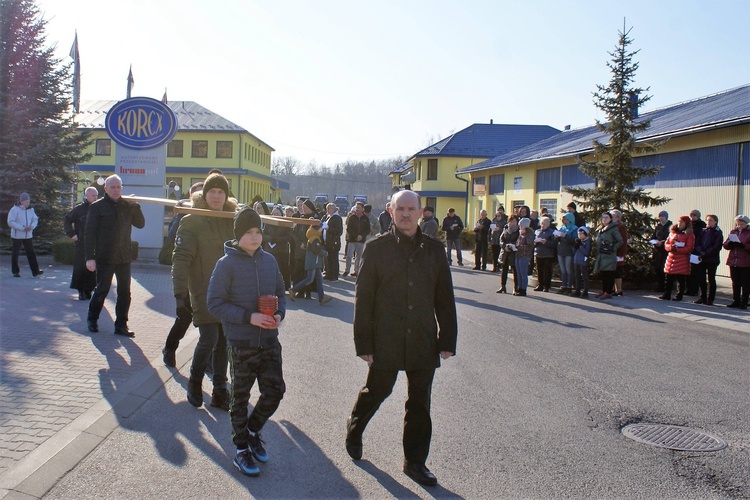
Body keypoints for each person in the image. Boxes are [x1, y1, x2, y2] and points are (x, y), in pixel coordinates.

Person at [345, 190, 457, 487]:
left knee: (420, 403)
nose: (406, 214)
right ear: (390, 212)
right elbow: (363, 299)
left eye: (411, 209)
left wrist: (447, 338)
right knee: (377, 390)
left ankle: (415, 463)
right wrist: (364, 343)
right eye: (400, 209)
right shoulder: (376, 248)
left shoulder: (434, 250)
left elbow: (444, 297)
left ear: (421, 212)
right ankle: (355, 428)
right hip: (386, 337)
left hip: (422, 338)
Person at [206, 207, 287, 477]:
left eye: (258, 232)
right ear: (238, 235)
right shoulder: (225, 264)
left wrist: (278, 314)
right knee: (239, 397)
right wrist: (247, 317)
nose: (254, 238)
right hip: (241, 342)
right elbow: (214, 303)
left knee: (274, 392)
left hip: (269, 341)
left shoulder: (270, 261)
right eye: (249, 233)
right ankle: (240, 449)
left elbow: (280, 293)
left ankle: (252, 431)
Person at [172, 172, 237, 410]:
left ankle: (220, 389)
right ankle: (195, 382)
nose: (217, 196)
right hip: (202, 289)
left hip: (228, 292)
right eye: (213, 191)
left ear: (226, 195)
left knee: (224, 341)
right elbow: (181, 258)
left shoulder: (232, 220)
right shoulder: (192, 220)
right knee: (209, 338)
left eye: (221, 192)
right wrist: (180, 293)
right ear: (205, 194)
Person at [84, 175, 145, 336]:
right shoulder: (97, 207)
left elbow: (140, 224)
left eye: (119, 187)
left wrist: (135, 206)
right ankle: (92, 319)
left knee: (125, 292)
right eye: (113, 187)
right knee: (102, 289)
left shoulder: (127, 205)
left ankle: (121, 325)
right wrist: (89, 257)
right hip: (105, 256)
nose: (116, 190)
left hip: (124, 256)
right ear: (106, 189)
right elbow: (89, 234)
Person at [162, 182, 203, 367]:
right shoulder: (184, 215)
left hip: (207, 274)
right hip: (188, 273)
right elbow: (172, 237)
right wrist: (180, 216)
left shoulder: (212, 215)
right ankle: (170, 348)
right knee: (185, 317)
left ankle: (209, 360)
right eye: (195, 195)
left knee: (210, 320)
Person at [64, 187, 98, 298]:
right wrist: (72, 234)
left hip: (94, 243)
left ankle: (89, 290)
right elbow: (67, 219)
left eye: (96, 195)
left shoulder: (99, 208)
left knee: (92, 268)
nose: (96, 197)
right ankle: (81, 290)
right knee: (80, 267)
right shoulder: (79, 209)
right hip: (81, 243)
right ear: (86, 196)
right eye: (93, 195)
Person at [289, 224, 332, 305]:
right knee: (309, 279)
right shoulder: (314, 239)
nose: (321, 230)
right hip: (313, 262)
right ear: (316, 230)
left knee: (319, 280)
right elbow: (317, 250)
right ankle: (293, 290)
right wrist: (326, 253)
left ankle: (321, 298)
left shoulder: (313, 237)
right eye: (320, 229)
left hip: (314, 262)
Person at [659, 215, 695, 301]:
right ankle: (667, 294)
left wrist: (678, 249)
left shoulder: (689, 234)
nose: (679, 223)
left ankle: (679, 295)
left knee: (680, 279)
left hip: (682, 259)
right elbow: (666, 244)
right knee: (668, 278)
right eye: (679, 221)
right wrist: (670, 248)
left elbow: (689, 247)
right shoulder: (673, 232)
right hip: (671, 257)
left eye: (682, 222)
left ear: (686, 224)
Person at [8, 192, 42, 278]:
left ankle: (35, 271)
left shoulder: (31, 210)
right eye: (26, 201)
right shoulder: (14, 209)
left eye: (28, 201)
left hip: (28, 235)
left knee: (31, 253)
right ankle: (15, 271)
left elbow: (35, 219)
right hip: (17, 235)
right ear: (21, 201)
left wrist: (32, 227)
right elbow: (10, 222)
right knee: (15, 254)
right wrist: (22, 228)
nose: (28, 203)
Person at [693, 214, 723, 305]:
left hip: (712, 259)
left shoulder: (718, 232)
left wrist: (706, 252)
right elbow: (697, 242)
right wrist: (700, 251)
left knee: (711, 279)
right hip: (702, 258)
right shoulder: (704, 231)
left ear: (715, 222)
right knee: (701, 278)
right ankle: (703, 297)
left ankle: (710, 299)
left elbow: (717, 246)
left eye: (711, 220)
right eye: (707, 220)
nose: (708, 222)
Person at [593, 212, 623, 300]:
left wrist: (613, 248)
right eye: (603, 218)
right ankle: (604, 290)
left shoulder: (613, 229)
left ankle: (608, 292)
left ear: (610, 219)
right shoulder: (601, 228)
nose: (604, 219)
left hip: (609, 255)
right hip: (601, 255)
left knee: (609, 274)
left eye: (606, 217)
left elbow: (620, 241)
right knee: (603, 274)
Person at [263, 205, 294, 289]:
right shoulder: (268, 223)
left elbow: (288, 237)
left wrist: (276, 239)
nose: (276, 215)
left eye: (277, 213)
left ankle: (282, 287)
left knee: (281, 269)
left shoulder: (285, 223)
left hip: (281, 250)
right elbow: (263, 234)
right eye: (274, 213)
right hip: (269, 249)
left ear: (281, 214)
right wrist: (271, 239)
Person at [722, 215, 750, 309]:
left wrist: (743, 246)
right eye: (738, 224)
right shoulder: (733, 232)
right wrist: (730, 244)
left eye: (741, 224)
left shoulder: (749, 232)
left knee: (745, 283)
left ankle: (744, 301)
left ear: (746, 224)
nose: (739, 226)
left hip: (745, 261)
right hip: (733, 260)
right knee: (735, 282)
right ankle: (736, 300)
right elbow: (725, 245)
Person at [343, 201, 369, 277]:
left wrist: (361, 236)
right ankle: (347, 270)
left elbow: (367, 229)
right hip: (352, 240)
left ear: (362, 209)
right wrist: (355, 236)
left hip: (361, 240)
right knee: (349, 256)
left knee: (359, 257)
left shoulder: (365, 218)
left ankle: (357, 271)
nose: (357, 209)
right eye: (356, 207)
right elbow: (348, 228)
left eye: (359, 208)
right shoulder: (352, 217)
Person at [555, 212, 578, 295]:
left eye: (567, 219)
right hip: (561, 250)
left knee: (569, 270)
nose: (566, 221)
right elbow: (558, 239)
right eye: (564, 219)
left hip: (569, 251)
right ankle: (563, 285)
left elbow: (574, 240)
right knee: (563, 270)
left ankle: (569, 287)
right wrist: (557, 236)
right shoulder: (562, 228)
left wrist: (566, 236)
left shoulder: (575, 228)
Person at [686, 209, 707, 296]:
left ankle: (695, 290)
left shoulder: (702, 225)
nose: (693, 217)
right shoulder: (689, 224)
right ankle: (689, 289)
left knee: (695, 271)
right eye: (692, 215)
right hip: (689, 249)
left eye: (694, 215)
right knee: (688, 270)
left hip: (696, 250)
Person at [533, 216, 556, 292]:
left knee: (547, 271)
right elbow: (533, 242)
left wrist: (546, 242)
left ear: (548, 224)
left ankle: (547, 286)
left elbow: (554, 243)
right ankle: (540, 284)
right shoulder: (537, 231)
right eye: (542, 223)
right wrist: (535, 242)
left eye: (545, 223)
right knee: (539, 270)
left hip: (548, 254)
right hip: (539, 253)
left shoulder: (551, 232)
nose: (543, 225)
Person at [496, 215, 518, 293]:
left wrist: (513, 245)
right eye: (511, 221)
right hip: (505, 252)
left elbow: (519, 240)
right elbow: (501, 239)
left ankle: (515, 288)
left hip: (514, 252)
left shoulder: (518, 230)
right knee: (504, 270)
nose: (512, 223)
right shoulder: (505, 229)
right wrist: (504, 246)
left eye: (514, 221)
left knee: (515, 271)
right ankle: (503, 286)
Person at [651, 211, 672, 292]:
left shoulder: (670, 226)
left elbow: (670, 238)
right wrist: (655, 242)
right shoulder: (658, 227)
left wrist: (662, 243)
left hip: (665, 251)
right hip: (657, 251)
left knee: (664, 269)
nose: (661, 218)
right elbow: (653, 237)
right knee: (657, 268)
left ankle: (665, 287)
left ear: (666, 217)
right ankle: (660, 285)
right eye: (660, 216)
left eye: (663, 216)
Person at [513, 217, 535, 296]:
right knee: (518, 273)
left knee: (523, 273)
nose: (520, 227)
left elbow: (530, 245)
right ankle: (519, 287)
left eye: (521, 226)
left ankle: (523, 289)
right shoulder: (520, 233)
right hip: (518, 255)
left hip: (525, 255)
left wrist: (519, 247)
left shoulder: (529, 234)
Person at [321, 203, 342, 281]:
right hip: (326, 241)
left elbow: (339, 231)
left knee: (333, 259)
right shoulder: (327, 217)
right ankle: (328, 274)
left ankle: (334, 275)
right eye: (327, 208)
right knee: (327, 259)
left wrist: (328, 228)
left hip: (333, 242)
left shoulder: (337, 218)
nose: (327, 210)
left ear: (333, 209)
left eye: (329, 208)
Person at [610, 209, 628, 296]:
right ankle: (612, 289)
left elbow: (623, 241)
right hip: (611, 252)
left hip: (618, 252)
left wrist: (621, 254)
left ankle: (619, 290)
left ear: (617, 217)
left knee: (618, 271)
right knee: (612, 270)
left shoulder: (620, 227)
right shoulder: (611, 226)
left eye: (612, 216)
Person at [571, 226, 592, 298]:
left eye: (581, 234)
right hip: (576, 260)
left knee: (584, 277)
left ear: (585, 234)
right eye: (578, 234)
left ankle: (585, 291)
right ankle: (577, 290)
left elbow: (586, 252)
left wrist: (580, 245)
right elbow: (574, 252)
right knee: (577, 276)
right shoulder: (579, 241)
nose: (579, 235)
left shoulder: (587, 242)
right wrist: (575, 245)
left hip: (583, 261)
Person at [489, 206, 508, 272]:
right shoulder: (493, 221)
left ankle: (499, 266)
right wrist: (489, 238)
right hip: (493, 239)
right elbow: (490, 230)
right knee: (494, 254)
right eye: (497, 215)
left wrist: (499, 229)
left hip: (500, 240)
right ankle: (494, 267)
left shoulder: (504, 222)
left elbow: (506, 230)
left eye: (499, 215)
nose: (498, 217)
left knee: (500, 254)